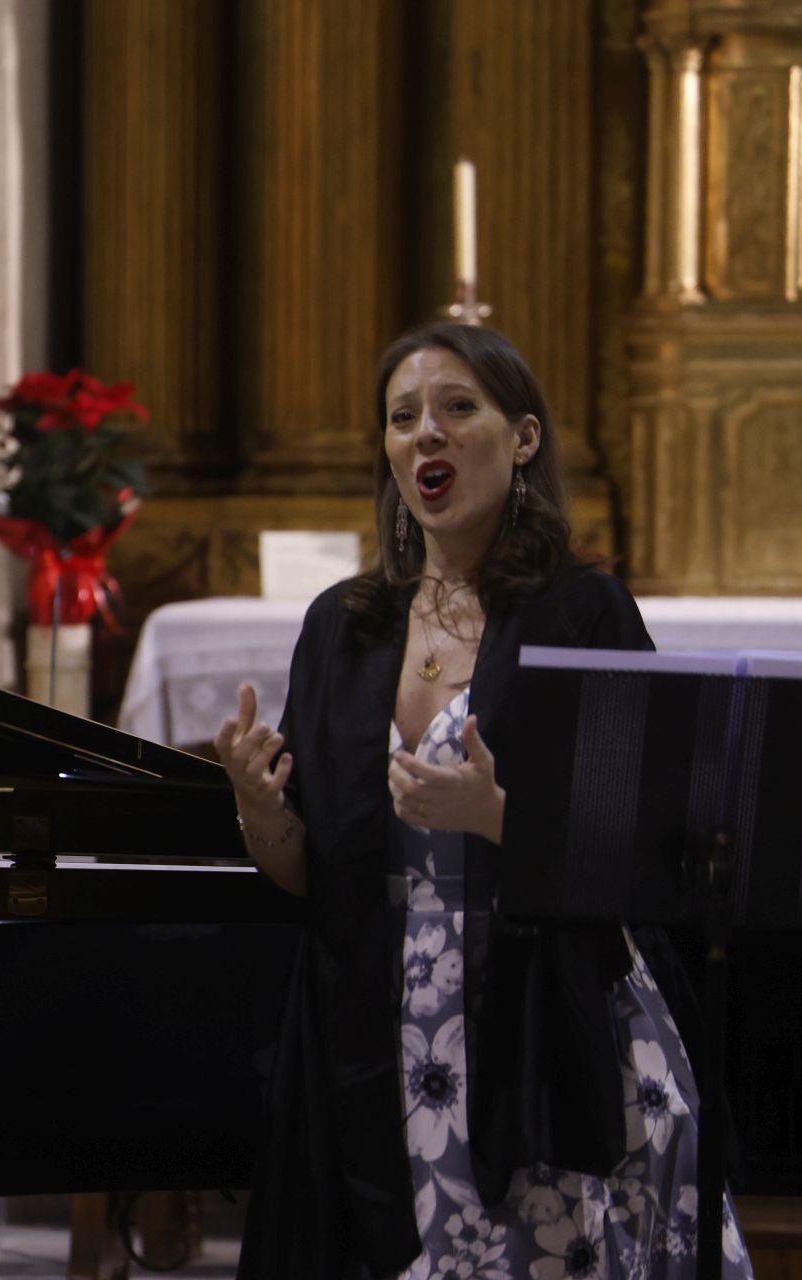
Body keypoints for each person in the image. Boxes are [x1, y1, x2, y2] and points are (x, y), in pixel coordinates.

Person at [221, 324, 754, 1278]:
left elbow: (651, 846)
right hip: (374, 1013)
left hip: (539, 1015)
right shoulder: (341, 627)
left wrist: (501, 819)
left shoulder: (582, 614)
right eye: (402, 417)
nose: (427, 432)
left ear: (523, 440)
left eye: (459, 408)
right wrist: (261, 811)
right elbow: (311, 871)